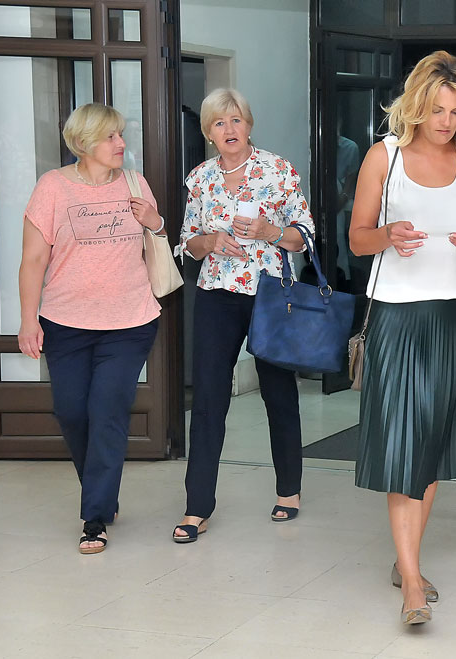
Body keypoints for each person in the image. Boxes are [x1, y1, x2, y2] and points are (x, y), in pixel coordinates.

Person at [349, 51, 456, 626]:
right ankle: (412, 580)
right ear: (416, 105)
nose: (446, 121)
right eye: (438, 109)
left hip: (455, 317)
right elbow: (356, 239)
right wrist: (387, 234)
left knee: (431, 446)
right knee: (403, 445)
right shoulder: (382, 157)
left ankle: (405, 560)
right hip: (397, 317)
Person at [17, 103, 164, 554]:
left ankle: (94, 517)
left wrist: (154, 221)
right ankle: (101, 494)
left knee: (107, 411)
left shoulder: (135, 184)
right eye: (110, 137)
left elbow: (157, 237)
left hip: (130, 321)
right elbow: (33, 259)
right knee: (71, 412)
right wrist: (28, 319)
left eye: (120, 135)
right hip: (66, 323)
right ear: (83, 143)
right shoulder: (53, 187)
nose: (121, 144)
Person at [172, 88, 315, 542]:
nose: (229, 129)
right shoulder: (200, 179)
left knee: (278, 393)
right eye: (219, 123)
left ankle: (289, 489)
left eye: (236, 120)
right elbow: (187, 242)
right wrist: (210, 241)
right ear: (208, 132)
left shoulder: (278, 170)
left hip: (270, 293)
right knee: (209, 399)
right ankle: (197, 507)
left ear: (249, 125)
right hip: (216, 294)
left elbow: (306, 235)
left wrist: (272, 231)